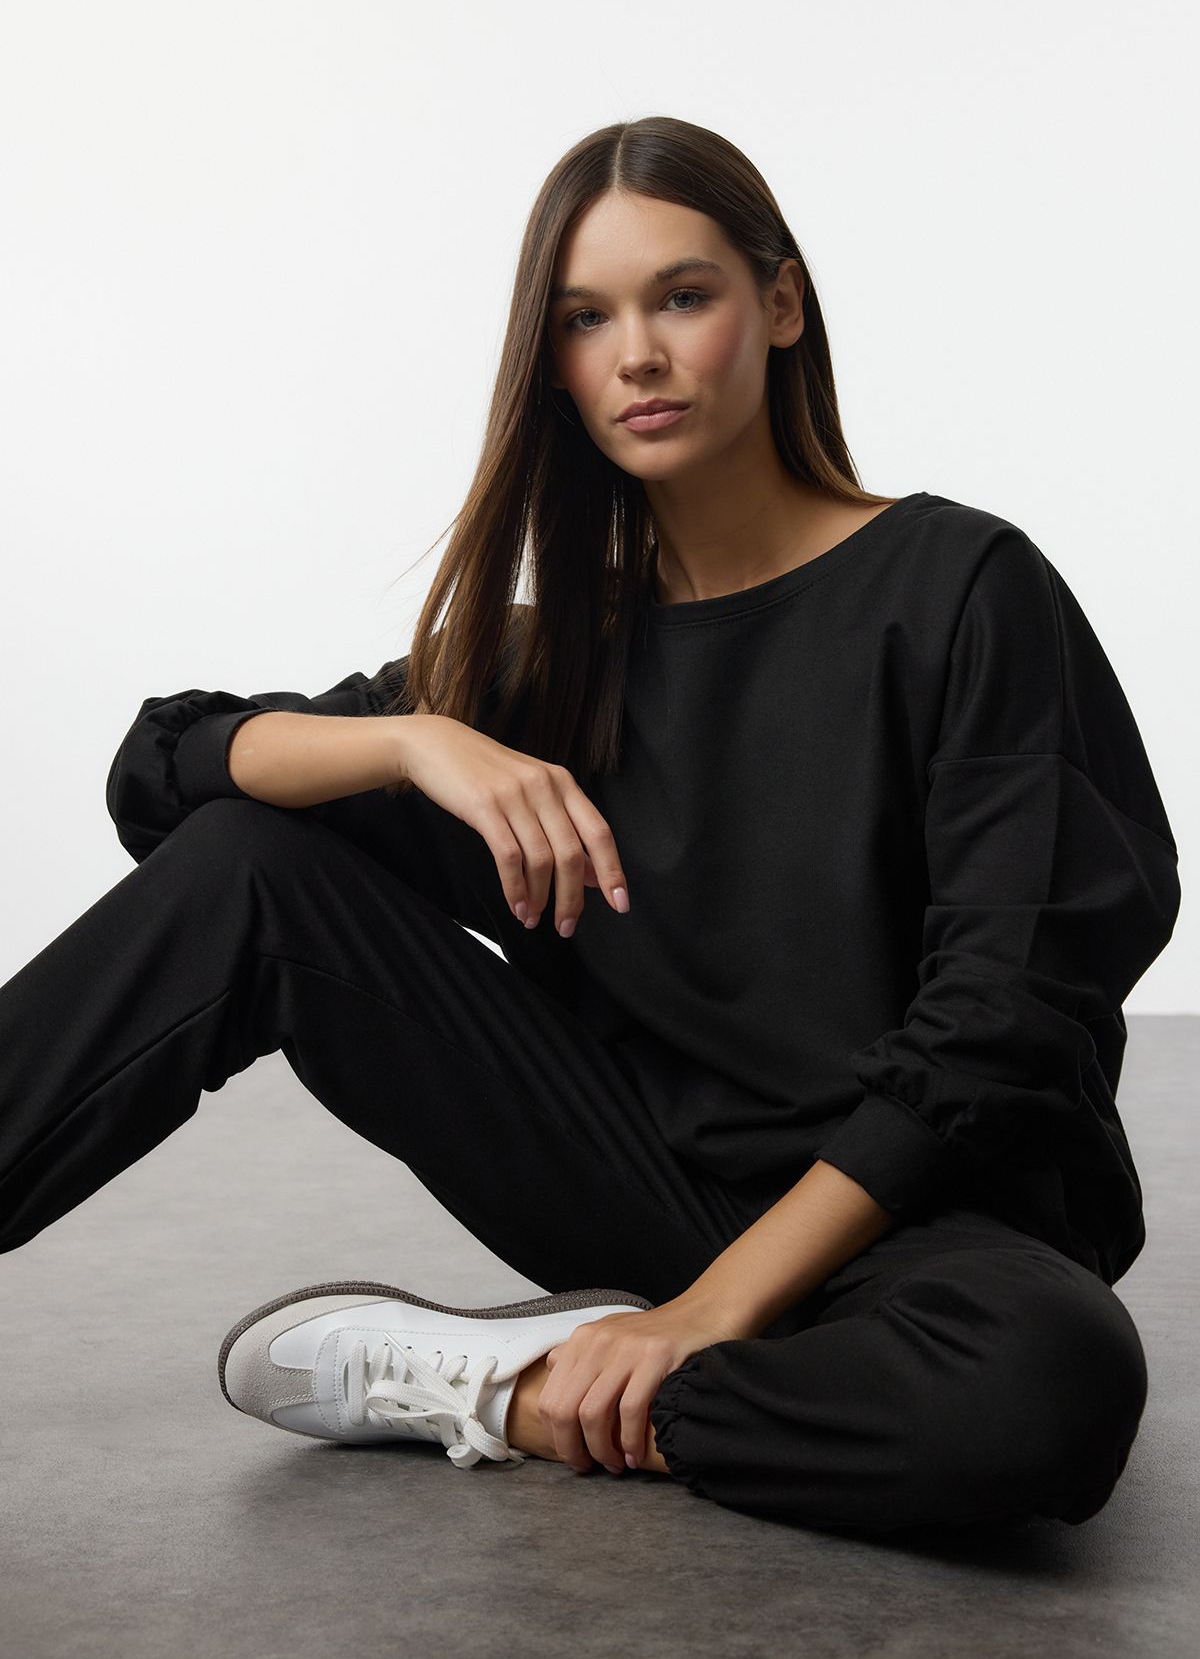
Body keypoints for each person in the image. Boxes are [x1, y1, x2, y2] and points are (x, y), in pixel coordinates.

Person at [0, 117, 1180, 1535]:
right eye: (585, 319)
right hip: (634, 1187)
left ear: (780, 305)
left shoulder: (962, 588)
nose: (638, 356)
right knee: (246, 862)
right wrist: (415, 738)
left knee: (1047, 1395)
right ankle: (665, 1381)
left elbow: (1006, 1018)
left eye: (683, 296)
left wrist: (707, 1314)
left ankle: (524, 1390)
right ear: (548, 360)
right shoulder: (546, 666)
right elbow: (163, 771)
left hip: (919, 1229)